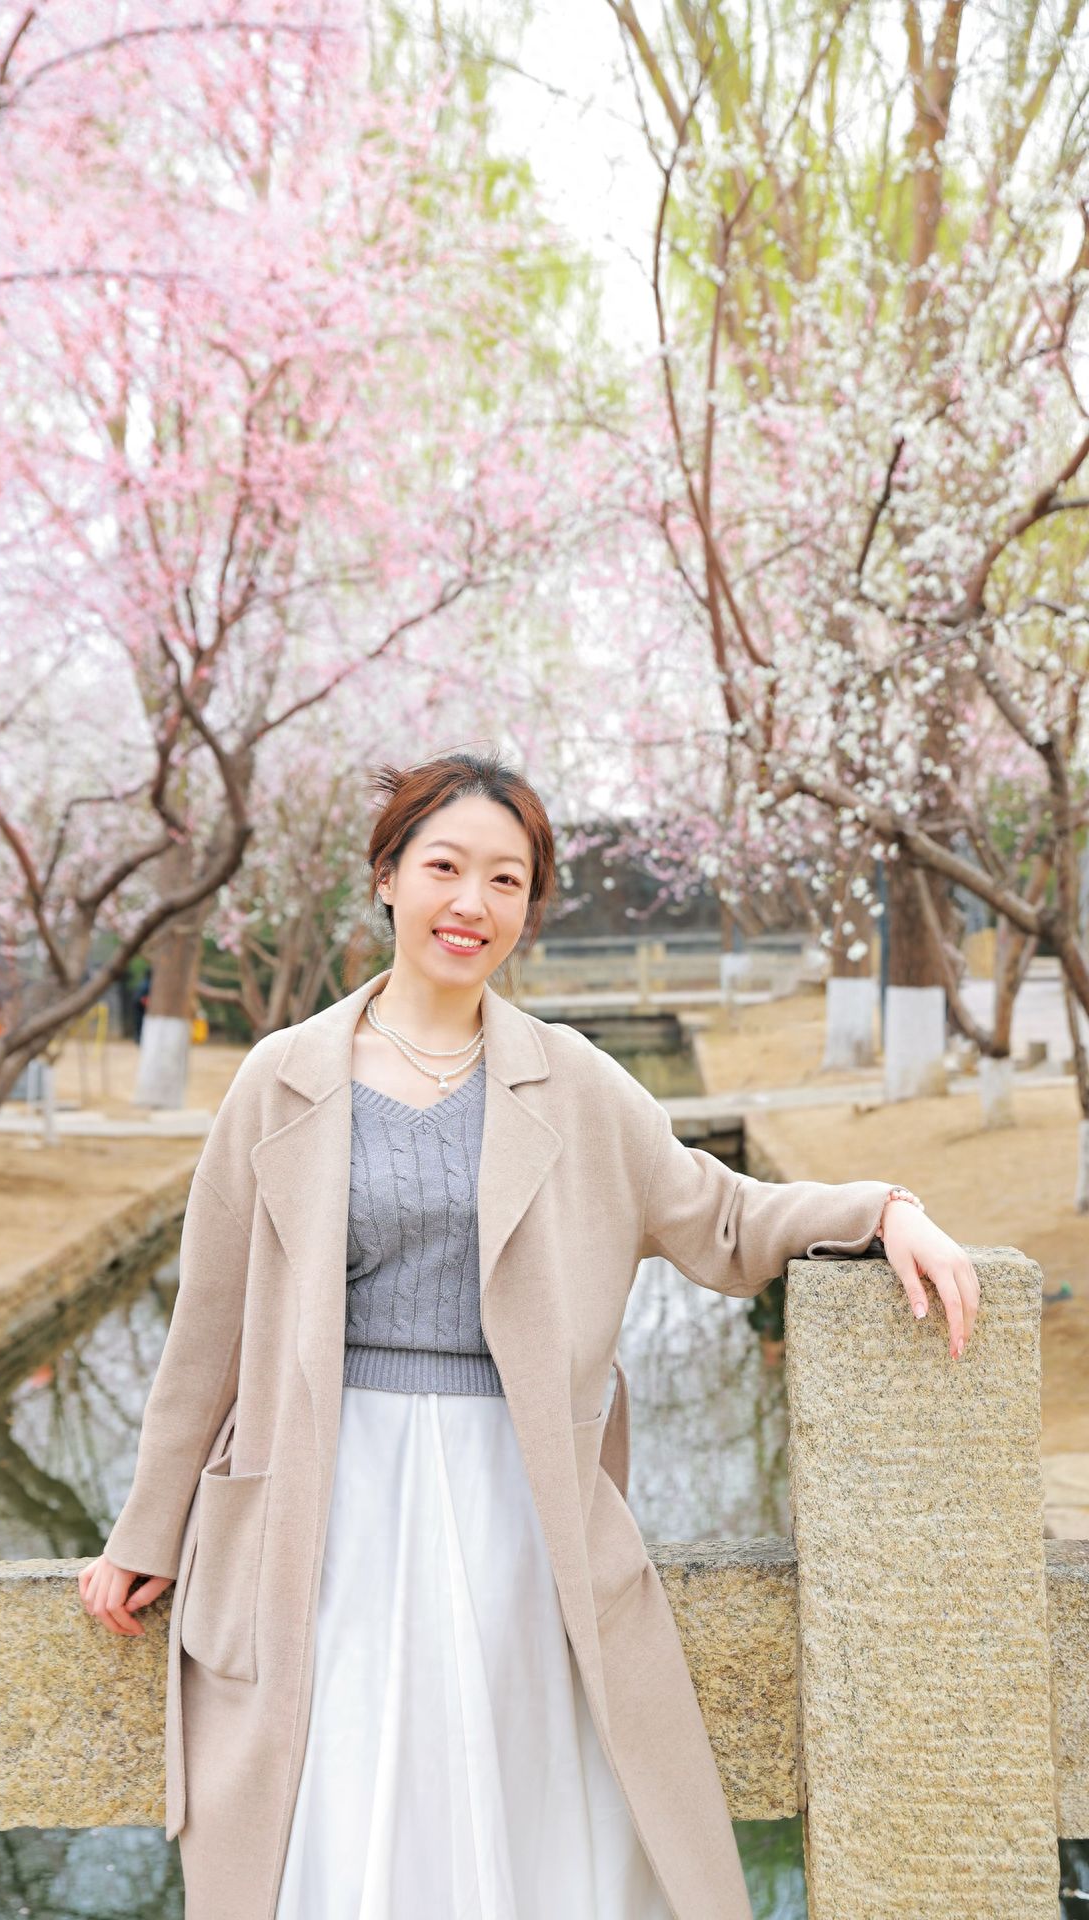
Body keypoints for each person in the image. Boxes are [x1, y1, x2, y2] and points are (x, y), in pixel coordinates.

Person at [78, 748, 979, 1920]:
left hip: (516, 1496)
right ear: (388, 877)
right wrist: (149, 1525)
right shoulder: (280, 1080)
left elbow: (720, 1218)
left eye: (506, 881)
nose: (472, 905)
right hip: (325, 1498)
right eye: (444, 867)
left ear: (528, 906)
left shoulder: (576, 1083)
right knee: (342, 1788)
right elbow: (205, 1328)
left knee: (518, 1785)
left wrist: (880, 1210)